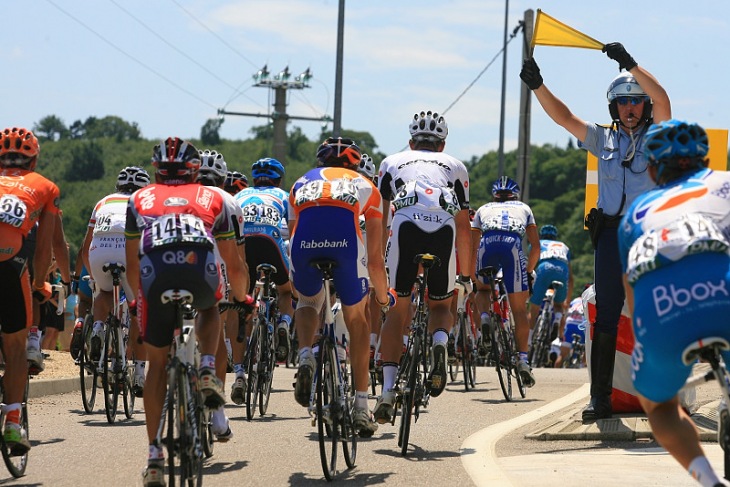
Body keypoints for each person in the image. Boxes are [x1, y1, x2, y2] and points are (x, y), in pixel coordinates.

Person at [520, 42, 672, 421]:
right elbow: (564, 118)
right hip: (608, 236)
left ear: (645, 106)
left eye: (636, 101)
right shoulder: (603, 138)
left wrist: (631, 65)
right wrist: (538, 85)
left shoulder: (660, 136)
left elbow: (664, 97)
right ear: (613, 107)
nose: (630, 107)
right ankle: (599, 399)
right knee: (606, 314)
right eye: (623, 102)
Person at [124, 138, 249, 486]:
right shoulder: (214, 198)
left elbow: (131, 260)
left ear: (157, 170)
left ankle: (153, 457)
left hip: (155, 273)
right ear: (195, 170)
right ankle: (208, 368)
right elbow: (234, 264)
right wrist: (244, 298)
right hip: (199, 266)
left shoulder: (139, 198)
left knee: (157, 366)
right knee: (213, 308)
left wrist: (137, 301)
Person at [618, 119, 730, 487]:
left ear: (651, 168)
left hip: (664, 312)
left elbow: (633, 301)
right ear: (705, 159)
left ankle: (708, 481)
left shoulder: (635, 212)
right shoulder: (724, 182)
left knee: (660, 406)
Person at [373, 110, 472, 424]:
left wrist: (378, 262)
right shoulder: (456, 166)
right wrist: (466, 275)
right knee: (441, 306)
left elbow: (382, 217)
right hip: (443, 227)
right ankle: (440, 344)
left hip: (404, 226)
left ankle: (388, 391)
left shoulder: (391, 162)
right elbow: (465, 226)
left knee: (398, 310)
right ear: (442, 146)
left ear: (410, 142)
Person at [289, 136, 391, 437]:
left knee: (307, 302)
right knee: (359, 320)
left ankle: (306, 354)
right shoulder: (366, 186)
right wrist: (384, 298)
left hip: (303, 245)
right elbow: (375, 259)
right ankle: (361, 407)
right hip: (345, 246)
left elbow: (293, 231)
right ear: (356, 163)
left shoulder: (299, 183)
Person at [0, 127, 64, 453]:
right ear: (35, 159)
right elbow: (44, 251)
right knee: (15, 351)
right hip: (10, 265)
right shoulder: (45, 186)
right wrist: (40, 284)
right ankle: (12, 423)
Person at [81, 166, 151, 398]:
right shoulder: (145, 201)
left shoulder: (103, 201)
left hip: (100, 250)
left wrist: (93, 276)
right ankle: (140, 374)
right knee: (136, 310)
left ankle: (99, 330)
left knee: (103, 291)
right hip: (128, 250)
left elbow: (84, 247)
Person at [196, 148, 251, 442]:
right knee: (215, 338)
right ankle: (217, 415)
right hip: (211, 272)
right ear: (223, 178)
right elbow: (238, 261)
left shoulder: (179, 195)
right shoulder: (229, 201)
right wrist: (243, 298)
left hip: (163, 270)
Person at [471, 176, 540, 386]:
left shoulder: (483, 209)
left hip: (487, 243)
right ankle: (523, 360)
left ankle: (484, 317)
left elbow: (473, 246)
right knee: (519, 310)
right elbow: (536, 247)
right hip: (512, 244)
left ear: (494, 196)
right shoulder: (524, 208)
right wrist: (527, 272)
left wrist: (473, 275)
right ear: (515, 195)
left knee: (482, 291)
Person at [234, 157, 294, 376]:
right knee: (286, 290)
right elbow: (293, 233)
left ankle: (240, 372)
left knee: (243, 302)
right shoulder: (285, 196)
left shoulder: (240, 195)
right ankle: (284, 324)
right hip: (271, 241)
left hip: (245, 244)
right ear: (278, 180)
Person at [528, 224, 574, 351]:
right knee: (558, 305)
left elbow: (530, 267)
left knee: (534, 309)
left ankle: (529, 339)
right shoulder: (564, 246)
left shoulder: (538, 243)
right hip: (562, 270)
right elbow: (571, 278)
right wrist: (567, 300)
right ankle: (557, 319)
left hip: (544, 268)